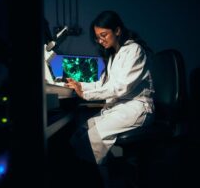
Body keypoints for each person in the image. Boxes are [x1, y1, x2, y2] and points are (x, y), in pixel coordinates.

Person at [65, 10, 155, 167]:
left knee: (90, 139)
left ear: (117, 31)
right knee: (79, 134)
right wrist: (80, 85)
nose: (100, 40)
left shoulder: (134, 50)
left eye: (104, 35)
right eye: (97, 37)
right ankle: (105, 174)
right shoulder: (114, 56)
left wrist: (85, 94)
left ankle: (100, 180)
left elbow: (121, 87)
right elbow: (102, 84)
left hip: (136, 108)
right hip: (120, 108)